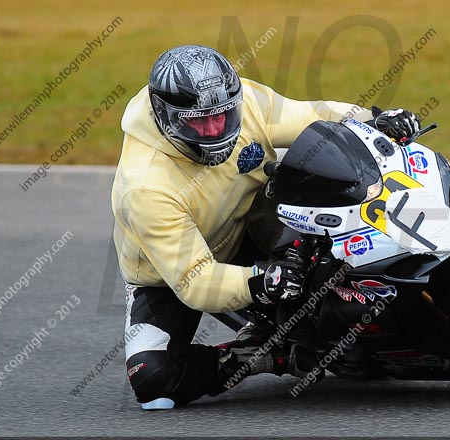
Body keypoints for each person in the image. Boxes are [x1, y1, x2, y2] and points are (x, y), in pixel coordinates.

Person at [111, 44, 421, 410]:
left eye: (223, 116)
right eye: (199, 121)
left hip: (257, 221)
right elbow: (194, 280)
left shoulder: (247, 101)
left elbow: (312, 117)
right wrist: (260, 282)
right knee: (154, 382)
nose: (215, 130)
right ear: (167, 118)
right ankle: (269, 353)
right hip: (174, 273)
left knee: (322, 179)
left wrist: (372, 122)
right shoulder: (146, 185)